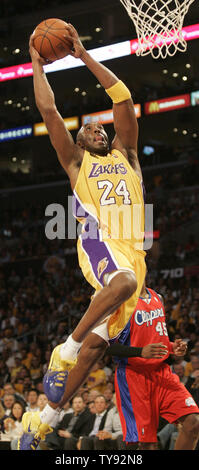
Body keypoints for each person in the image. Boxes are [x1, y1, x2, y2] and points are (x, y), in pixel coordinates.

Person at [18, 23, 166, 449]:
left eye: (102, 129)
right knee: (123, 283)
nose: (98, 131)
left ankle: (42, 421)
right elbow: (48, 113)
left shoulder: (129, 155)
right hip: (99, 242)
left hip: (134, 253)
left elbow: (121, 98)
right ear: (80, 140)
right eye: (89, 130)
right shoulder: (75, 162)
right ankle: (64, 347)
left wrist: (83, 54)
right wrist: (36, 62)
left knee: (95, 352)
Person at [110, 284, 199, 450]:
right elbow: (105, 347)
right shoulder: (118, 302)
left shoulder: (157, 297)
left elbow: (156, 338)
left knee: (193, 423)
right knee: (147, 444)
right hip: (135, 377)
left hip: (162, 372)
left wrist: (172, 347)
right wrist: (140, 351)